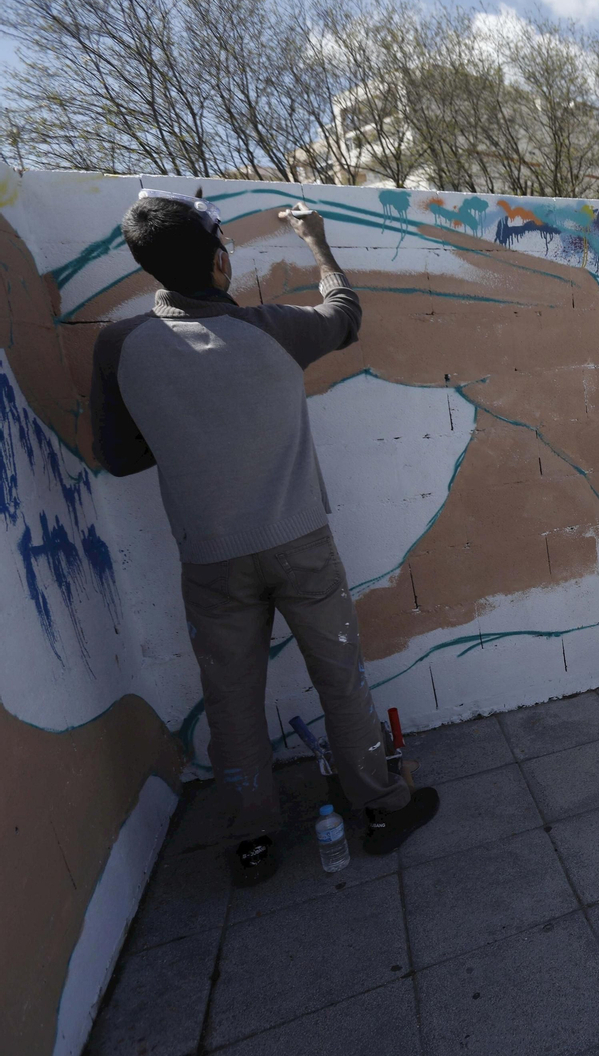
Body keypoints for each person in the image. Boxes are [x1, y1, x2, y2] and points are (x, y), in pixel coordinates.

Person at [90, 191, 438, 883]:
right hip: (299, 541)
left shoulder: (119, 345)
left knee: (231, 699)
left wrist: (191, 434)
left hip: (210, 557)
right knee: (339, 679)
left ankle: (254, 838)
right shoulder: (276, 329)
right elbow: (346, 315)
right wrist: (316, 242)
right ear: (221, 262)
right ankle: (380, 806)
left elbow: (121, 457)